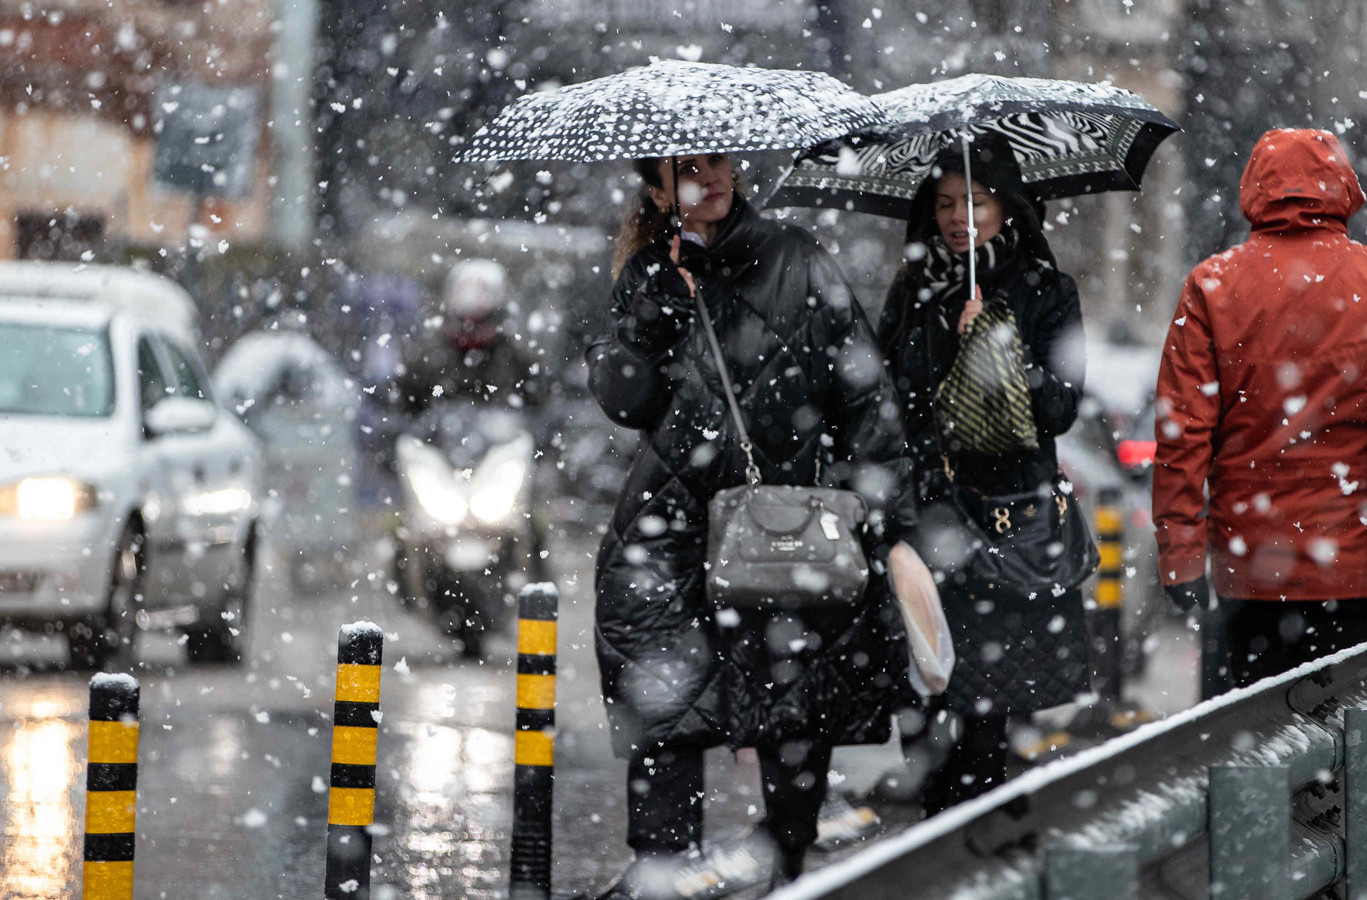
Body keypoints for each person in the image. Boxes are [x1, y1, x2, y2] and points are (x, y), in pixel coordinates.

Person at [586, 152, 919, 896]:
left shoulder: (797, 260)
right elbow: (622, 399)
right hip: (670, 527)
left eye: (720, 164)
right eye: (688, 171)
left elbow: (865, 393)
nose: (713, 179)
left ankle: (788, 867)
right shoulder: (644, 275)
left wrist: (879, 505)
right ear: (655, 190)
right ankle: (664, 872)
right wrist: (654, 312)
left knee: (793, 706)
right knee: (667, 702)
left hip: (784, 521)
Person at [1153, 128, 1367, 697]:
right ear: (1342, 187)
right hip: (1356, 565)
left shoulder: (1210, 287)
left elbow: (1181, 434)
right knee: (1353, 752)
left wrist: (1182, 557)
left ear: (1254, 189)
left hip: (1250, 568)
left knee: (1258, 752)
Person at [877, 141, 1088, 816]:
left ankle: (974, 837)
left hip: (1004, 520)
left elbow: (1059, 406)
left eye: (975, 201)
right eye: (944, 204)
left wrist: (999, 349)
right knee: (926, 680)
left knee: (989, 702)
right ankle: (940, 824)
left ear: (1006, 207)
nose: (958, 217)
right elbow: (884, 396)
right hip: (927, 514)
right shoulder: (915, 290)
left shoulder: (1046, 292)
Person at [395, 258, 547, 414]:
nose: (470, 331)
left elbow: (544, 414)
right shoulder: (424, 358)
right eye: (462, 320)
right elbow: (399, 413)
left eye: (480, 322)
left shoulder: (521, 360)